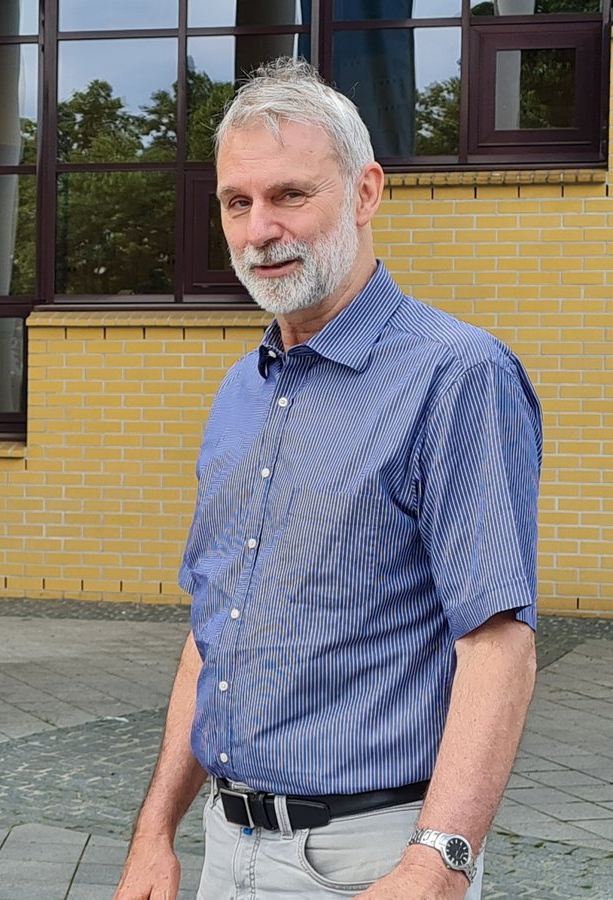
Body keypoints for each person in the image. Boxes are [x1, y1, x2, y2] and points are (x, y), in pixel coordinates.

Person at [115, 58, 540, 900]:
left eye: (290, 195)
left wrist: (438, 862)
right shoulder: (242, 391)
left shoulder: (457, 376)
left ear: (366, 192)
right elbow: (213, 635)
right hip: (225, 848)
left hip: (370, 862)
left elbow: (498, 642)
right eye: (238, 203)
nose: (260, 228)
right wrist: (155, 833)